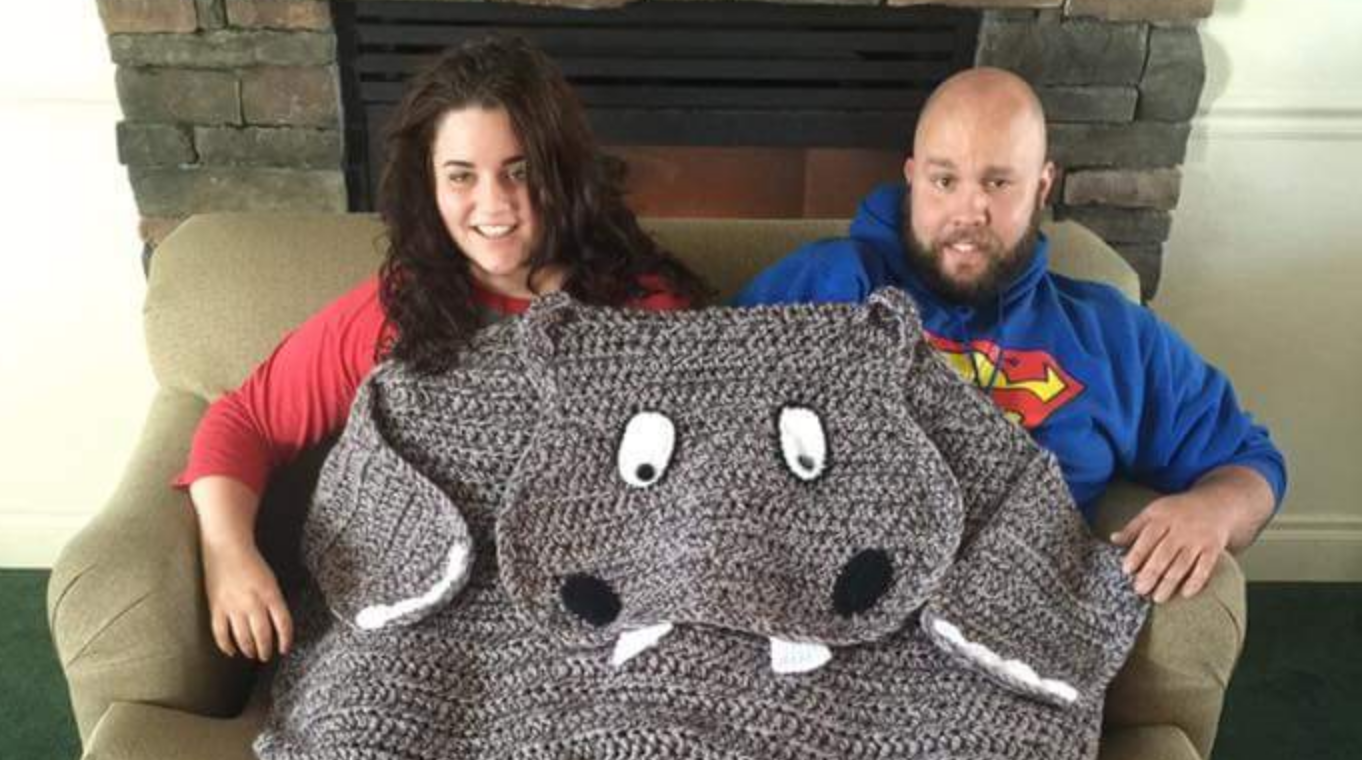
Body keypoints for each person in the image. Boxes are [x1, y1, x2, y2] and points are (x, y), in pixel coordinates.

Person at [174, 35, 708, 660]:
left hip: (596, 621)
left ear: (563, 172)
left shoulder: (646, 311)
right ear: (429, 184)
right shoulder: (397, 310)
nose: (494, 204)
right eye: (461, 176)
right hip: (419, 624)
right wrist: (227, 555)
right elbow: (244, 421)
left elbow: (711, 484)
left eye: (520, 171)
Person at [735, 67, 1285, 605]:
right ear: (912, 178)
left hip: (1007, 617)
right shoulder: (823, 283)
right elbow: (706, 418)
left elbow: (1249, 462)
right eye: (944, 181)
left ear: (1042, 185)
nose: (968, 211)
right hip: (824, 605)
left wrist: (1212, 512)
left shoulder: (1111, 335)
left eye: (997, 183)